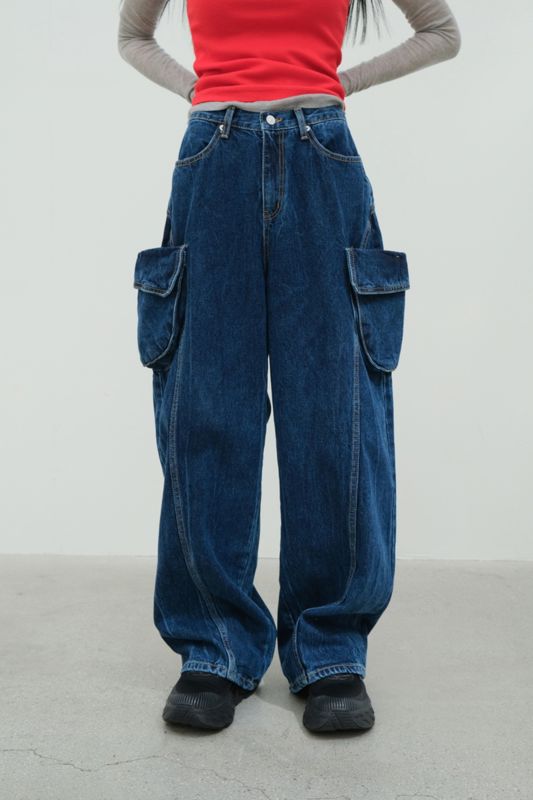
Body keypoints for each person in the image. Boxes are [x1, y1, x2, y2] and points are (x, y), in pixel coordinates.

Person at [117, 0, 461, 733]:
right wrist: (198, 90)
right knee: (207, 412)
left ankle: (329, 650)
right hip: (212, 159)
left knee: (335, 416)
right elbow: (132, 37)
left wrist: (338, 84)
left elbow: (442, 33)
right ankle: (214, 649)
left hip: (322, 155)